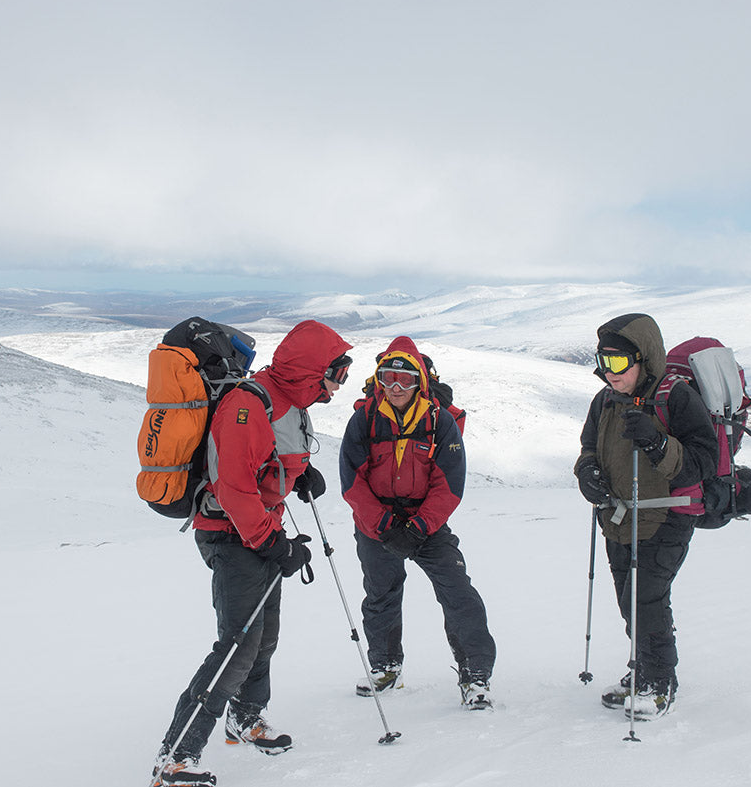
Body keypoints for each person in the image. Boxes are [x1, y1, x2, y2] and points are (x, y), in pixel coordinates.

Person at [151, 320, 352, 787]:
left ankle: (245, 717)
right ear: (310, 369)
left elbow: (265, 464)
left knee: (264, 638)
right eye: (335, 373)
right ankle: (176, 755)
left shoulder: (290, 401)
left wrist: (297, 476)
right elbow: (235, 487)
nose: (337, 385)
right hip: (230, 533)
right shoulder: (249, 403)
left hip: (259, 530)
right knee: (237, 645)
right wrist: (272, 544)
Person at [339, 336, 496, 709]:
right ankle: (386, 668)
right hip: (377, 525)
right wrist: (385, 526)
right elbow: (352, 482)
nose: (395, 387)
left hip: (426, 525)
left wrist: (418, 528)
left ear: (419, 384)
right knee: (381, 595)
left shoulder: (439, 422)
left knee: (457, 592)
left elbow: (449, 484)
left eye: (405, 380)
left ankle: (475, 676)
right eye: (388, 377)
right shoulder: (364, 420)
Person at [573, 313, 717, 719]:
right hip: (619, 515)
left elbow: (703, 461)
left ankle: (658, 683)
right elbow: (588, 449)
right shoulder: (604, 400)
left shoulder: (675, 397)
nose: (608, 373)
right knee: (628, 598)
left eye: (618, 363)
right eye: (602, 362)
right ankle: (644, 671)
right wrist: (588, 474)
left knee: (646, 597)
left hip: (668, 514)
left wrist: (657, 444)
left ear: (643, 359)